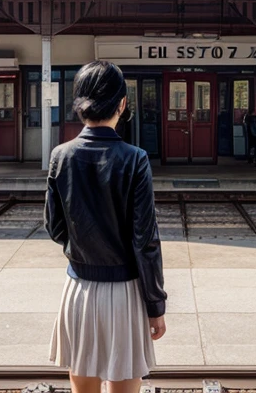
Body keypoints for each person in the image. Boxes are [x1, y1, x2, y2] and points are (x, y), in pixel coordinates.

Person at [45, 60, 167, 393]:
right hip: (124, 293)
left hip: (79, 289)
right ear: (122, 104)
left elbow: (54, 227)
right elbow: (145, 242)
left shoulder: (60, 156)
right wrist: (155, 305)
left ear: (78, 104)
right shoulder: (135, 158)